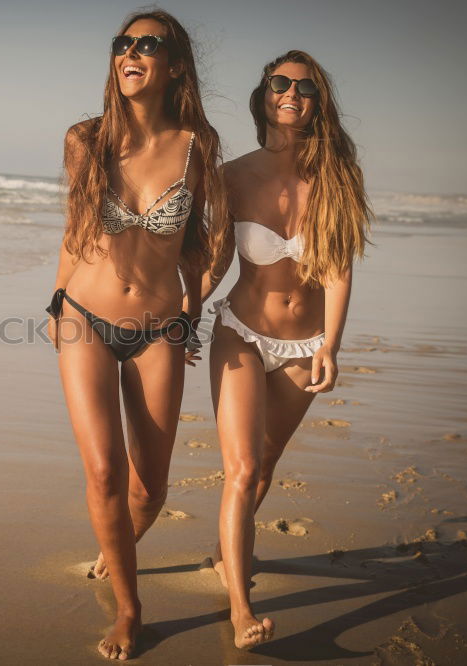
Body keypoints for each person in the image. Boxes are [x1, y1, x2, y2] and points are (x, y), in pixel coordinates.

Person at [45, 9, 228, 661]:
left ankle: (113, 546)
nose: (131, 52)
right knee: (103, 472)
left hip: (158, 330)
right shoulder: (84, 139)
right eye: (124, 43)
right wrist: (54, 301)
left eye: (148, 44)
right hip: (84, 318)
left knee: (151, 488)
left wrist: (193, 308)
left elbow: (214, 243)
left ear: (175, 65)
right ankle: (130, 609)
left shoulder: (197, 145)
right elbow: (75, 229)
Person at [193, 49, 372, 649]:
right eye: (280, 82)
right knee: (240, 469)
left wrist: (332, 346)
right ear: (263, 94)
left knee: (265, 465)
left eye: (305, 86)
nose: (291, 92)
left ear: (319, 101)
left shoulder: (338, 178)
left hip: (305, 343)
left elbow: (340, 269)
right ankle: (241, 608)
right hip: (240, 332)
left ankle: (226, 552)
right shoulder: (233, 175)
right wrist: (179, 314)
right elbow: (217, 260)